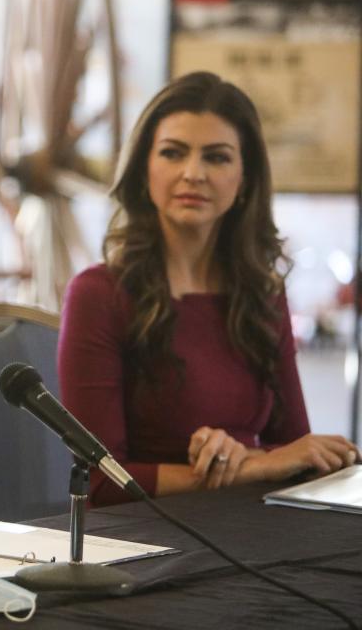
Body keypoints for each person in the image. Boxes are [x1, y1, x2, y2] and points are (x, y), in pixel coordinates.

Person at [58, 71, 358, 506]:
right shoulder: (98, 294)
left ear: (244, 180)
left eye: (216, 157)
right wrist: (255, 466)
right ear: (144, 169)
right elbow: (101, 482)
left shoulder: (262, 293)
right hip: (144, 538)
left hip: (258, 526)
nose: (193, 173)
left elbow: (297, 451)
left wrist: (257, 458)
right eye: (173, 153)